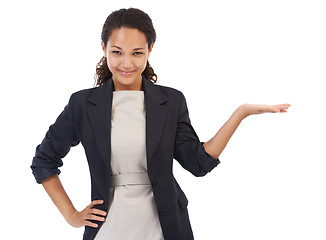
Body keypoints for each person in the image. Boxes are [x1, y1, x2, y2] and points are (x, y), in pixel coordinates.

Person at [31, 8, 290, 240]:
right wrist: (71, 215)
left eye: (137, 53)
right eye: (117, 53)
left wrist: (240, 113)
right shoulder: (83, 104)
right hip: (109, 228)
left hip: (165, 228)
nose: (127, 64)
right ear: (103, 48)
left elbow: (198, 163)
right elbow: (44, 160)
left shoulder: (171, 101)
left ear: (150, 50)